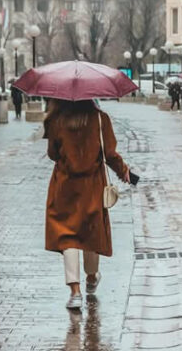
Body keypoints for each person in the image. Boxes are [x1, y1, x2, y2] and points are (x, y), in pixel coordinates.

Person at [45, 100, 131, 310]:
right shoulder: (100, 119)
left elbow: (53, 154)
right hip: (92, 186)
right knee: (90, 232)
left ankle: (75, 292)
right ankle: (91, 277)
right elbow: (109, 154)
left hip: (65, 187)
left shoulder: (57, 120)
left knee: (67, 235)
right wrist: (124, 171)